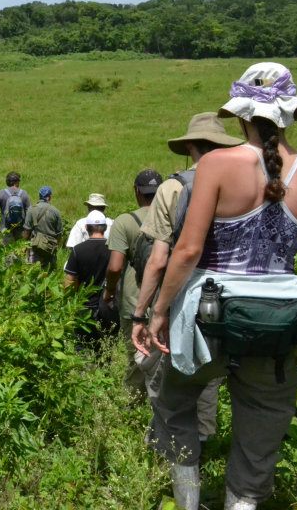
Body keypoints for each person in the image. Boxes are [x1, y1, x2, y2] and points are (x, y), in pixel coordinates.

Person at [135, 63, 297, 510]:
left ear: (241, 114)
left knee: (176, 406)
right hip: (279, 326)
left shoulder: (218, 165)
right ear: (287, 113)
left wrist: (159, 312)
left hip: (208, 317)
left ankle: (187, 503)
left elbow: (187, 252)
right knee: (262, 428)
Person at [131, 113, 243, 448]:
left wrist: (145, 313)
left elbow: (158, 259)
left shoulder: (172, 188)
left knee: (165, 376)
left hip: (179, 298)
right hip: (227, 299)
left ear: (190, 147)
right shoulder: (243, 184)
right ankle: (205, 439)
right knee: (208, 374)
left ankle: (170, 449)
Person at [102, 168, 162, 392]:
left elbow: (115, 266)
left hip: (133, 301)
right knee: (163, 360)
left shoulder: (125, 221)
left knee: (136, 360)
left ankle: (134, 409)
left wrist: (108, 293)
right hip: (164, 301)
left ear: (137, 191)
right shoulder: (173, 217)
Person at [64, 210, 115, 347]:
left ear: (87, 228)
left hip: (84, 305)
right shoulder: (113, 250)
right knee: (106, 344)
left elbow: (69, 281)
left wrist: (71, 299)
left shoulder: (78, 250)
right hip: (108, 304)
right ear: (105, 228)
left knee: (82, 344)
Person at [22, 185, 63, 269]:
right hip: (50, 247)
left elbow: (27, 231)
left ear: (39, 196)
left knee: (33, 271)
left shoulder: (31, 209)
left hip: (35, 246)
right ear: (49, 197)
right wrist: (56, 246)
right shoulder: (55, 211)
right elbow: (59, 234)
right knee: (49, 272)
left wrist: (23, 246)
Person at [0, 171, 31, 246]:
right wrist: (28, 228)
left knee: (8, 252)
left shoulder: (1, 193)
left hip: (6, 228)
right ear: (17, 182)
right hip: (20, 228)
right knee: (20, 251)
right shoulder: (24, 193)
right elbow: (29, 211)